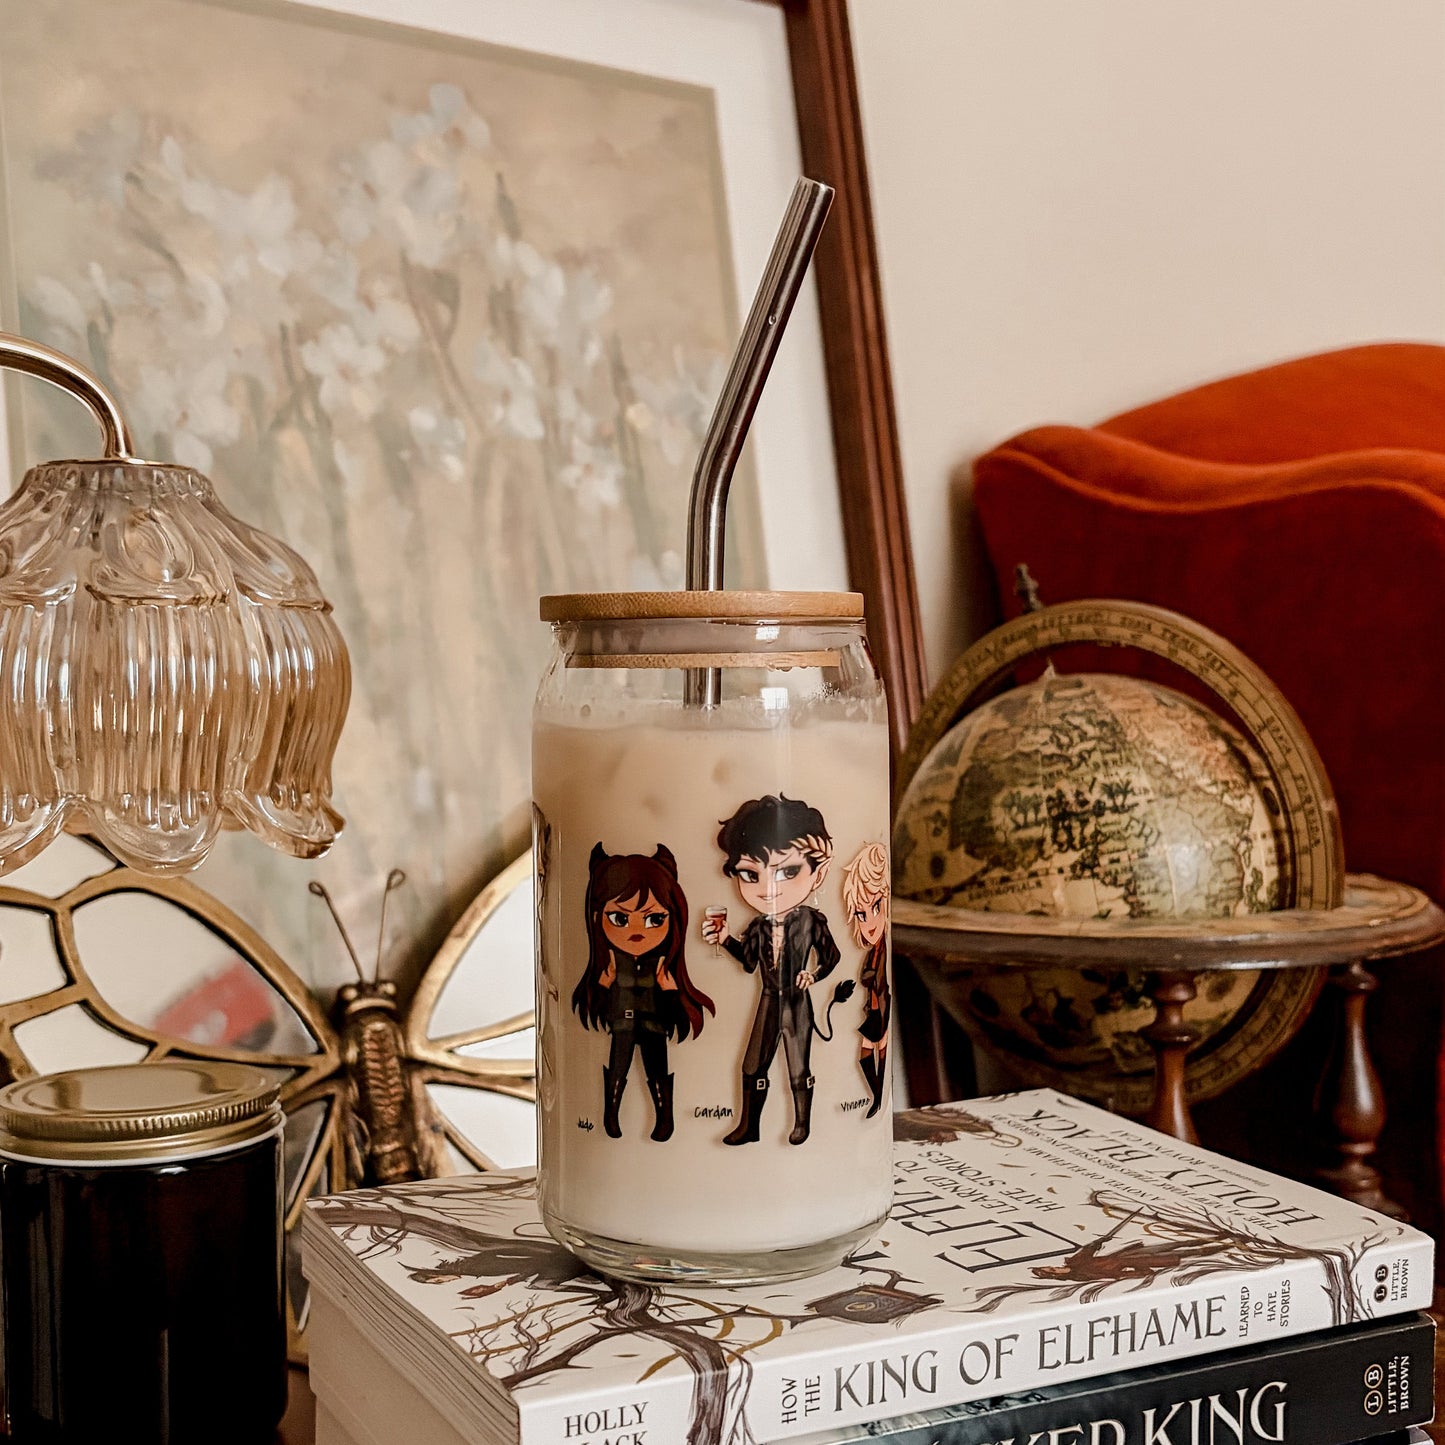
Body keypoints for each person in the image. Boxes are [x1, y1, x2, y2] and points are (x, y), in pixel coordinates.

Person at [703, 795, 839, 1145]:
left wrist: (815, 974)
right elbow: (749, 963)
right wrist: (724, 940)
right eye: (750, 874)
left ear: (817, 872)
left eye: (788, 872)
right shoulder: (758, 927)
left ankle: (803, 1124)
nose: (768, 889)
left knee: (798, 1066)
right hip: (768, 1000)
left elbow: (832, 956)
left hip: (797, 1003)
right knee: (752, 1065)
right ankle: (750, 1127)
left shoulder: (810, 920)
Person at [572, 843, 713, 1141]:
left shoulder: (659, 963)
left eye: (654, 919)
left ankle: (665, 1120)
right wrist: (604, 983)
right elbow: (597, 999)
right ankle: (611, 1116)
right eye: (619, 919)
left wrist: (671, 991)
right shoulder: (613, 961)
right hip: (622, 1025)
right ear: (597, 917)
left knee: (657, 1071)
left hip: (654, 1026)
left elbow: (673, 1004)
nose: (637, 929)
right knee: (617, 1070)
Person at [843, 841, 890, 1118]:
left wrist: (868, 977)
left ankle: (878, 1099)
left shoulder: (882, 948)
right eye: (861, 914)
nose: (870, 922)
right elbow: (866, 976)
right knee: (866, 1054)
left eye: (876, 907)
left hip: (880, 1007)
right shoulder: (873, 950)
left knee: (877, 1050)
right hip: (872, 1007)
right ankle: (877, 1096)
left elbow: (874, 979)